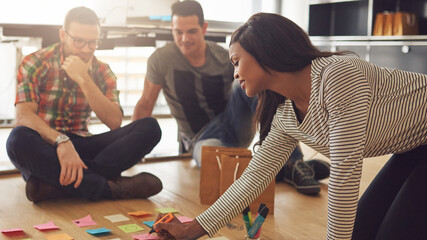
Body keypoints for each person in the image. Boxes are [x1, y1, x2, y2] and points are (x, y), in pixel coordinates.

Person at [152, 12, 427, 240]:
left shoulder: (337, 75)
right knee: (362, 232)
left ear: (264, 51)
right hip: (415, 144)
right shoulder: (284, 114)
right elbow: (251, 180)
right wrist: (190, 231)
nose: (235, 73)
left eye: (237, 62)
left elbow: (346, 173)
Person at [132, 0, 330, 195]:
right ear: (172, 29)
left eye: (191, 31)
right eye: (178, 32)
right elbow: (146, 103)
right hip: (202, 139)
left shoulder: (223, 55)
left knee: (248, 83)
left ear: (204, 28)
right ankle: (283, 169)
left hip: (233, 121)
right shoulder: (161, 59)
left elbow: (252, 88)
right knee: (219, 166)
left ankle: (294, 162)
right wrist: (130, 150)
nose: (184, 38)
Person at [6, 6, 163, 203]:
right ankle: (109, 188)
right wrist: (61, 141)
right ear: (63, 35)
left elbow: (114, 122)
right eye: (78, 41)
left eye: (92, 43)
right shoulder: (35, 62)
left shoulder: (103, 71)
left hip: (83, 146)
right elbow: (24, 116)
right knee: (17, 139)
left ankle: (53, 186)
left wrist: (84, 79)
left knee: (150, 127)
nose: (86, 49)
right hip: (47, 145)